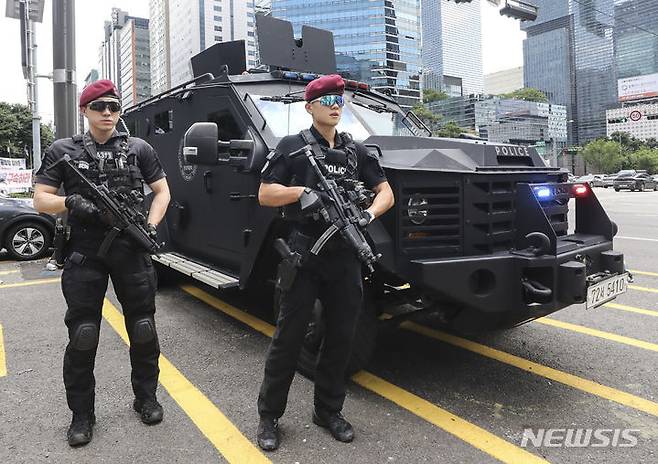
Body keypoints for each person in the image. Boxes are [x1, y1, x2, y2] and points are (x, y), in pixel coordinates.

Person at [256, 74, 395, 450]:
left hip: (345, 256)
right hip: (306, 255)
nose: (335, 104)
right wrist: (302, 193)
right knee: (288, 338)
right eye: (327, 99)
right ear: (309, 106)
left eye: (339, 98)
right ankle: (269, 417)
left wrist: (367, 217)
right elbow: (265, 194)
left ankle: (328, 410)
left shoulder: (357, 151)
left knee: (341, 338)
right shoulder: (292, 147)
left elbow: (385, 193)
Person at [33, 80, 171, 447]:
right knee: (83, 334)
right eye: (99, 107)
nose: (107, 113)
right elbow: (40, 200)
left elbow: (162, 191)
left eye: (113, 106)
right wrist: (71, 203)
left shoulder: (138, 148)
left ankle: (146, 397)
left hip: (130, 249)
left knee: (142, 328)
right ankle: (82, 414)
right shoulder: (63, 150)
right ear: (85, 111)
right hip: (85, 251)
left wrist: (151, 225)